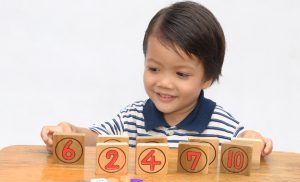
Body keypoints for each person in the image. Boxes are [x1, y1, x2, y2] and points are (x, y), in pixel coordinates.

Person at [41, 1, 272, 156]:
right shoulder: (133, 118)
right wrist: (72, 132)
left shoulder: (218, 122)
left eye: (181, 74)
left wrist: (252, 139)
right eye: (154, 69)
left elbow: (243, 142)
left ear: (207, 78)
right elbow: (98, 137)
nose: (164, 82)